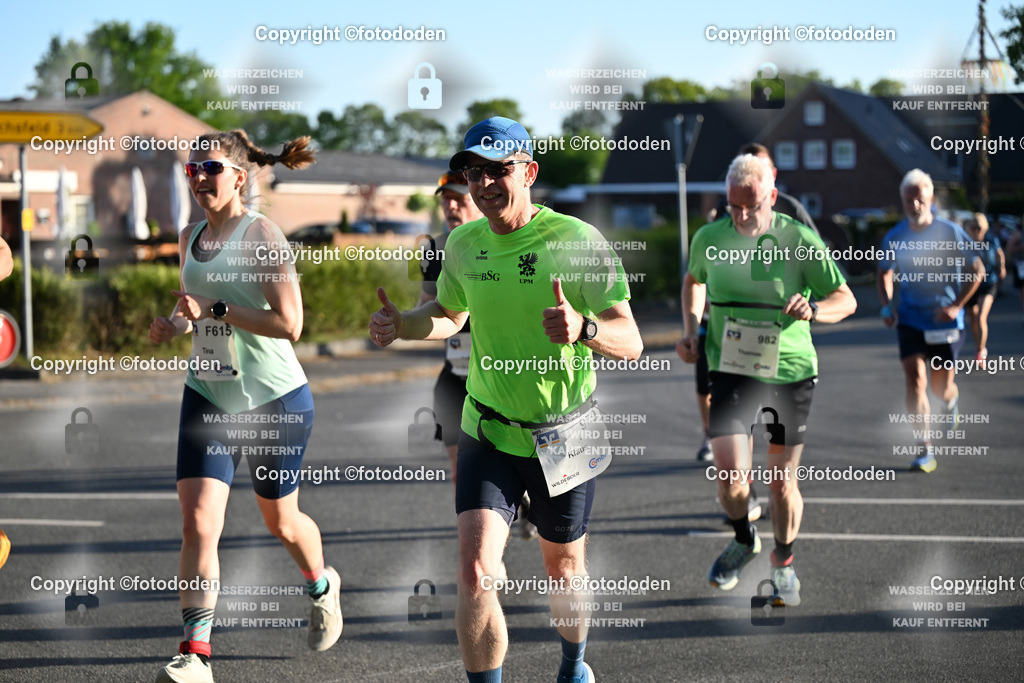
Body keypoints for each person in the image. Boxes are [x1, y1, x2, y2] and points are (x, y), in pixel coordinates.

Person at [370, 116, 643, 683]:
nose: (485, 182)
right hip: (488, 427)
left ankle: (573, 663)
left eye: (499, 169)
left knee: (564, 570)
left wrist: (585, 329)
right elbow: (448, 316)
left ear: (529, 171)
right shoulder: (463, 243)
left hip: (564, 431)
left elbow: (632, 341)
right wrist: (404, 325)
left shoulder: (576, 241)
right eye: (474, 171)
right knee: (475, 572)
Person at [149, 130, 342, 683]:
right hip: (209, 393)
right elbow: (195, 310)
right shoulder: (189, 235)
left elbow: (290, 324)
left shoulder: (263, 235)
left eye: (210, 168)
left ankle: (322, 585)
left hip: (273, 401)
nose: (199, 178)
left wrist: (216, 308)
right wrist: (177, 323)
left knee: (281, 520)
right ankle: (196, 653)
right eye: (192, 170)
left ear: (239, 176)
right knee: (198, 522)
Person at [681, 154, 856, 607]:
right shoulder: (709, 237)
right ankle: (744, 539)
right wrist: (689, 328)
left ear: (773, 198)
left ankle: (783, 564)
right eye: (733, 207)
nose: (741, 216)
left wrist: (815, 309)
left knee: (780, 482)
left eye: (752, 206)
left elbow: (846, 298)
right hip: (733, 367)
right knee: (730, 478)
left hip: (790, 371)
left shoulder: (797, 238)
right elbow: (694, 281)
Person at [418, 171, 539, 540]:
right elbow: (427, 308)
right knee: (465, 472)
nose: (450, 206)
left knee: (519, 466)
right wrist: (402, 321)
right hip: (456, 376)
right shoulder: (433, 248)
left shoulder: (515, 244)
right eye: (445, 200)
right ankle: (491, 559)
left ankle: (526, 499)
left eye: (458, 198)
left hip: (508, 377)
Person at [877, 170, 984, 473]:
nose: (915, 205)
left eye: (920, 199)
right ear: (902, 201)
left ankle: (951, 401)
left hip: (945, 324)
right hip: (910, 319)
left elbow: (976, 270)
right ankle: (924, 448)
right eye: (909, 200)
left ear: (931, 199)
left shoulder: (949, 231)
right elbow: (884, 272)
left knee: (939, 388)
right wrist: (886, 307)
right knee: (915, 381)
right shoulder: (895, 237)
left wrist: (956, 305)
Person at [962, 213, 1005, 366]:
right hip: (970, 285)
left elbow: (999, 253)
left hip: (988, 282)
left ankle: (981, 350)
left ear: (984, 228)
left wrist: (1002, 267)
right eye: (974, 227)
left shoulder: (991, 239)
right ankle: (977, 346)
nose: (977, 231)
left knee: (981, 317)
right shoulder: (965, 241)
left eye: (979, 228)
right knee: (973, 320)